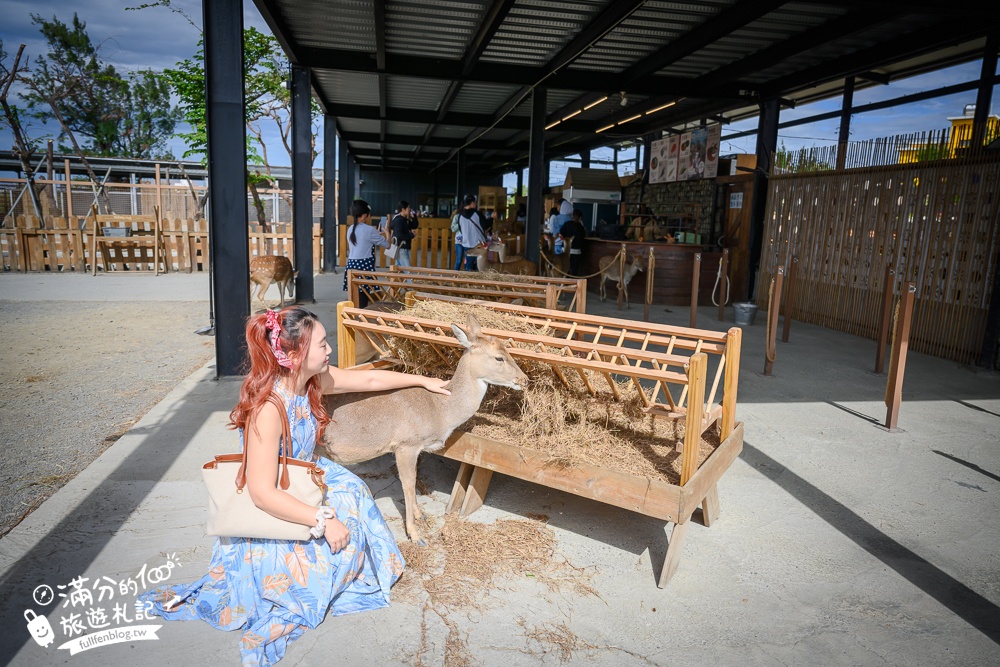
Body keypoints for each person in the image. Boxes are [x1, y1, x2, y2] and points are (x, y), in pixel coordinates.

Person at [138, 307, 450, 666]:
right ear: (294, 355)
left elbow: (367, 381)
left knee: (354, 493)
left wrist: (421, 382)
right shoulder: (268, 409)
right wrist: (322, 519)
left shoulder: (312, 382)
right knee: (333, 544)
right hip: (272, 502)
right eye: (322, 343)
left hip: (302, 474)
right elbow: (262, 492)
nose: (329, 348)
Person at [343, 199, 389, 308]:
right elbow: (388, 246)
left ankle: (354, 317)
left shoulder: (350, 229)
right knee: (364, 297)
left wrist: (375, 235)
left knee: (354, 296)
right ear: (364, 215)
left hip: (351, 266)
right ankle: (360, 319)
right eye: (369, 215)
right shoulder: (369, 230)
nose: (369, 217)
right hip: (364, 266)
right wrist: (387, 232)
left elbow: (363, 241)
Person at [457, 194, 487, 271]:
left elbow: (460, 230)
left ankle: (468, 281)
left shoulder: (460, 216)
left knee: (468, 267)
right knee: (479, 267)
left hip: (467, 244)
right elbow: (485, 226)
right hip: (479, 246)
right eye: (475, 203)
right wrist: (492, 219)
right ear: (472, 203)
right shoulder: (477, 214)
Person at [558, 208, 588, 276]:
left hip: (565, 250)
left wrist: (564, 241)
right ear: (580, 218)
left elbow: (561, 235)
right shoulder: (580, 227)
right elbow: (584, 236)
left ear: (572, 216)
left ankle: (565, 282)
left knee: (565, 268)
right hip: (576, 251)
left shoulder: (566, 224)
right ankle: (573, 284)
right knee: (574, 269)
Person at [389, 199, 416, 267]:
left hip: (401, 247)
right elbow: (399, 235)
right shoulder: (399, 220)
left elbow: (414, 225)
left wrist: (414, 217)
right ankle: (409, 278)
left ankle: (396, 277)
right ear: (403, 209)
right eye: (408, 208)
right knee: (407, 269)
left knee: (398, 268)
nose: (409, 209)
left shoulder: (404, 219)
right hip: (401, 247)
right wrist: (411, 235)